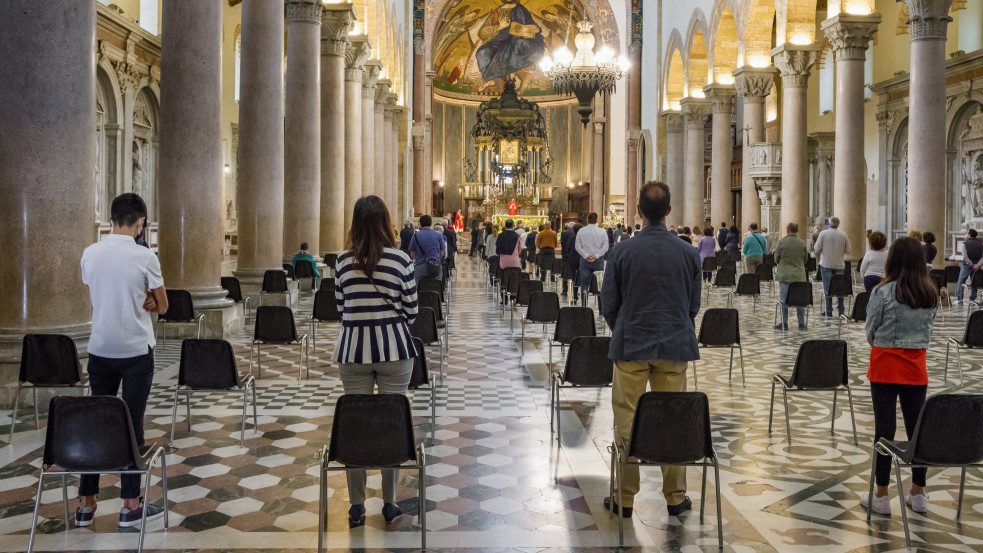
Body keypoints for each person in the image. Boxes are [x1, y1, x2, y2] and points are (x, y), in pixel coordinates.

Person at [600, 181, 701, 519]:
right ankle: (675, 497)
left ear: (638, 212)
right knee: (673, 419)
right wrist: (674, 327)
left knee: (627, 421)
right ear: (669, 211)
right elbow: (693, 305)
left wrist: (625, 328)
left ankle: (623, 498)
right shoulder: (688, 252)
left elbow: (608, 304)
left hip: (631, 346)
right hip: (674, 347)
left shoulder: (621, 251)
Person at [77, 193, 168, 528]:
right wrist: (146, 299)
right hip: (134, 352)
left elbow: (98, 288)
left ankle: (86, 503)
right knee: (132, 424)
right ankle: (130, 505)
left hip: (100, 349)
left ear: (111, 219)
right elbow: (163, 306)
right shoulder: (145, 257)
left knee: (96, 423)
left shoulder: (90, 253)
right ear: (141, 222)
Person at [333, 195, 418, 528]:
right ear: (386, 221)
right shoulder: (399, 260)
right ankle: (389, 502)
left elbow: (341, 309)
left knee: (356, 424)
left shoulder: (341, 261)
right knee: (391, 423)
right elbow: (411, 309)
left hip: (353, 349)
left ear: (355, 223)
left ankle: (356, 505)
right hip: (395, 349)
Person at [861, 236, 938, 517]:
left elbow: (871, 329)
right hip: (916, 367)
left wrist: (883, 342)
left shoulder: (882, 291)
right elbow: (928, 333)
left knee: (884, 431)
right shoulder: (929, 292)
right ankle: (918, 492)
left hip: (884, 365)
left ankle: (881, 495)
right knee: (917, 432)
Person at [773, 223, 809, 330]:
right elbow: (805, 259)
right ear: (797, 230)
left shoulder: (782, 242)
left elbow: (776, 258)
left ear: (787, 230)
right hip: (799, 275)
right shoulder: (802, 243)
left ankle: (784, 323)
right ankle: (801, 324)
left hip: (785, 274)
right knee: (800, 300)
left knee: (784, 300)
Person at [814, 216, 851, 316]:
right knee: (840, 289)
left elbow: (816, 249)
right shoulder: (843, 235)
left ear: (829, 224)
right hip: (839, 265)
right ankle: (841, 310)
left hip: (826, 264)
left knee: (827, 288)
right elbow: (848, 250)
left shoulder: (823, 234)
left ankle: (829, 310)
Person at [575, 212, 608, 305]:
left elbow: (577, 246)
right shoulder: (602, 231)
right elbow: (605, 247)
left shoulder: (581, 231)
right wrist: (596, 256)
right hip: (598, 261)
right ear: (597, 221)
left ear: (587, 220)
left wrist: (586, 256)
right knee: (600, 285)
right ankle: (601, 309)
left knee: (584, 285)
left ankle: (584, 305)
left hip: (585, 261)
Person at [407, 214, 444, 281]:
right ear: (431, 223)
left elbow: (412, 254)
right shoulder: (439, 235)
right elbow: (442, 253)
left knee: (416, 288)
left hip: (420, 267)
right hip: (435, 267)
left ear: (420, 224)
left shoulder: (415, 235)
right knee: (437, 286)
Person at [956, 228, 982, 304]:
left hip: (966, 266)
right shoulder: (981, 244)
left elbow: (965, 257)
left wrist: (971, 264)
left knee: (961, 282)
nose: (966, 235)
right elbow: (982, 257)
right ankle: (973, 299)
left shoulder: (965, 243)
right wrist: (978, 265)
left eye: (967, 233)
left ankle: (960, 299)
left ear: (969, 235)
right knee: (974, 282)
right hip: (977, 267)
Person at [560, 222, 578, 299]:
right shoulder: (575, 235)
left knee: (565, 273)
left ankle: (565, 290)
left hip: (565, 255)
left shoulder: (564, 233)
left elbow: (562, 243)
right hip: (573, 256)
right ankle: (575, 291)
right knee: (574, 274)